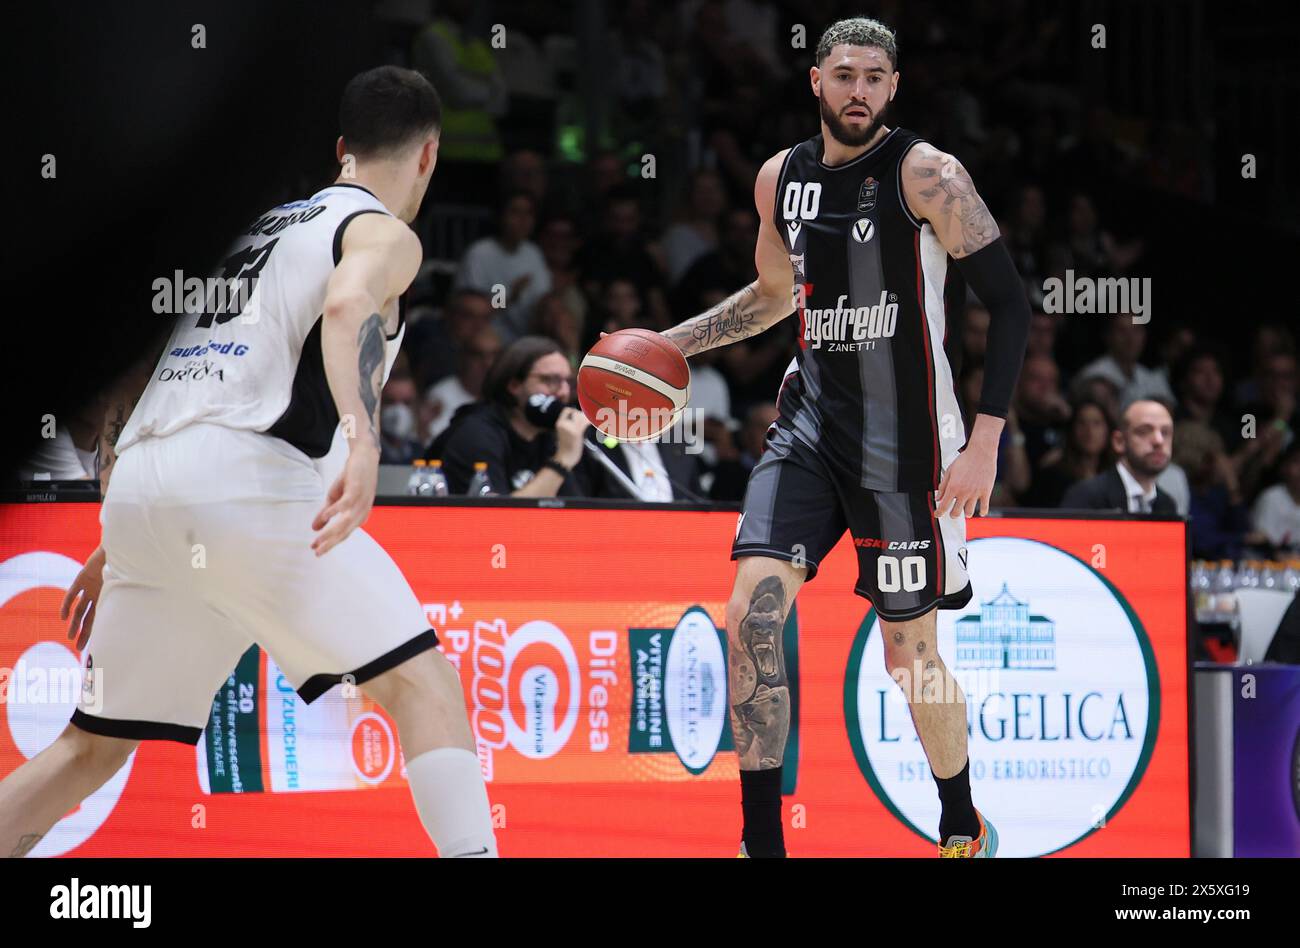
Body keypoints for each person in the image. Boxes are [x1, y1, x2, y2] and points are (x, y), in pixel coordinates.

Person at [0, 67, 498, 859]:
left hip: (144, 489)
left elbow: (171, 368)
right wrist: (363, 439)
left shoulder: (249, 233)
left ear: (341, 148)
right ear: (429, 156)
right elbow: (345, 309)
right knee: (421, 684)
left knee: (87, 749)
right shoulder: (382, 233)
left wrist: (126, 530)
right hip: (247, 488)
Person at [654, 18, 1032, 857]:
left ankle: (961, 821)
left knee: (911, 658)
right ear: (815, 81)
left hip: (909, 450)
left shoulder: (929, 175)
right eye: (843, 74)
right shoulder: (776, 179)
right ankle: (762, 843)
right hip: (809, 428)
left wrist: (985, 441)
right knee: (750, 616)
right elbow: (770, 296)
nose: (857, 89)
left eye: (874, 77)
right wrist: (667, 343)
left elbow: (1010, 304)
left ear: (893, 88)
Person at [430, 335, 593, 497]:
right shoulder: (477, 434)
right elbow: (501, 517)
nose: (563, 392)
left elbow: (576, 510)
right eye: (550, 380)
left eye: (568, 382)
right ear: (514, 385)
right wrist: (562, 461)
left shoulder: (550, 438)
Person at [1060, 398, 1177, 513]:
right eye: (1144, 431)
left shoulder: (1167, 505)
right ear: (1119, 441)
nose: (1159, 440)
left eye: (1165, 432)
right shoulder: (1086, 497)